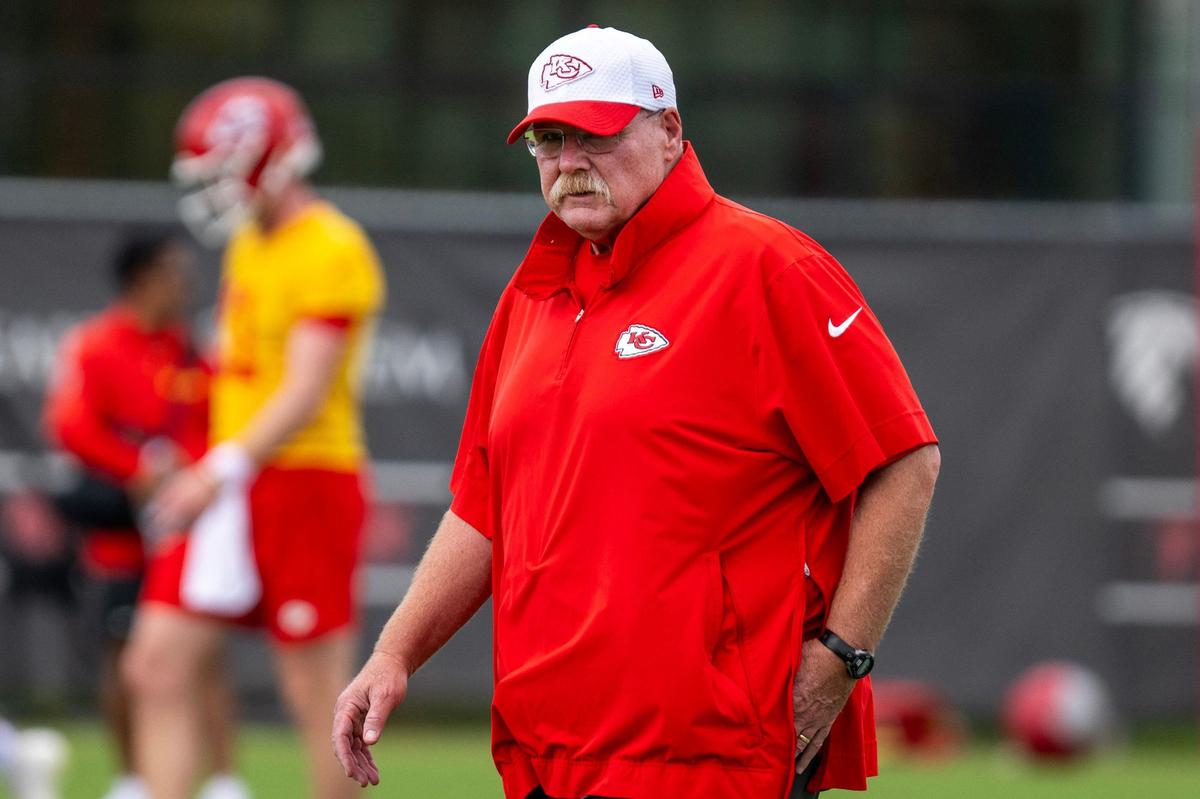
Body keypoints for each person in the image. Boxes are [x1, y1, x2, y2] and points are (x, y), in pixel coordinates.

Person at [334, 25, 940, 799]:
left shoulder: (768, 267)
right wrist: (394, 653)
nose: (570, 163)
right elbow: (484, 506)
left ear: (669, 131)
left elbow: (903, 461)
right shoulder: (532, 294)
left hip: (712, 757)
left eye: (596, 134)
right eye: (550, 140)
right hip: (547, 748)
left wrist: (842, 657)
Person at [122, 77, 385, 799]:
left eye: (223, 171)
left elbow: (304, 392)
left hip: (305, 476)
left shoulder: (331, 246)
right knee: (156, 663)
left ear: (267, 159)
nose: (216, 190)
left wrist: (217, 469)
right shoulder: (250, 242)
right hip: (230, 475)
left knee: (317, 695)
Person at [43, 235, 247, 799]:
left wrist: (190, 472)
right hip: (120, 527)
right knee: (122, 650)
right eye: (172, 272)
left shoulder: (192, 351)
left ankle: (224, 779)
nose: (185, 283)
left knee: (203, 649)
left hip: (184, 524)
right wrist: (137, 468)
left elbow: (219, 423)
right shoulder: (96, 345)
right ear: (141, 278)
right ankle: (132, 778)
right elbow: (71, 425)